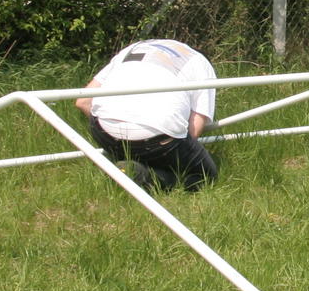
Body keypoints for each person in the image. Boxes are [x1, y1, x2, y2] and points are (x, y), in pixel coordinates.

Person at [75, 38, 219, 191]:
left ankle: (129, 165)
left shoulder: (136, 47)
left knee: (148, 148)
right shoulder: (201, 63)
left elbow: (83, 102)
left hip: (105, 133)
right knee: (205, 176)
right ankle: (146, 176)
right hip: (159, 140)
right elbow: (194, 128)